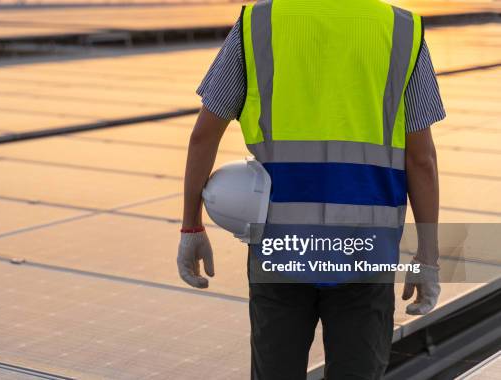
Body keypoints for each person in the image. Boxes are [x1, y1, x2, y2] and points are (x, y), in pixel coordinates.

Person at [177, 1, 445, 378]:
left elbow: (203, 136)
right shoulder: (401, 30)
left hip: (280, 253)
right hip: (365, 255)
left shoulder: (259, 23)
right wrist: (428, 256)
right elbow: (422, 161)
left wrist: (192, 225)